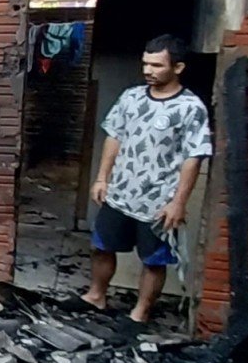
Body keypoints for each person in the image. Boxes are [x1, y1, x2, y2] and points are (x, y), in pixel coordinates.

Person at [81, 34, 212, 323]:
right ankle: (96, 296)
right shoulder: (131, 97)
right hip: (121, 191)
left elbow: (194, 157)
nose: (148, 71)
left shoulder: (191, 108)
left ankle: (140, 313)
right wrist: (102, 178)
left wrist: (179, 202)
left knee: (153, 260)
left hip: (158, 200)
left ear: (177, 68)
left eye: (156, 65)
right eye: (145, 64)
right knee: (101, 246)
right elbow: (114, 137)